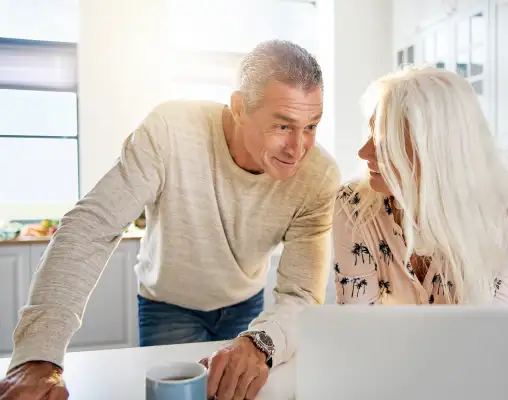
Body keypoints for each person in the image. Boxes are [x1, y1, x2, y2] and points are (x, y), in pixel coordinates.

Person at [0, 40, 340, 400]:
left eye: (311, 126)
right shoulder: (171, 130)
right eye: (283, 126)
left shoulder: (318, 176)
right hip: (168, 306)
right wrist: (37, 355)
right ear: (239, 107)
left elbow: (301, 292)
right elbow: (91, 227)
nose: (298, 148)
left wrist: (262, 343)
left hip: (246, 306)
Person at [333, 66, 508, 306]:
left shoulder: (506, 215)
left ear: (437, 154)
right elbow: (358, 322)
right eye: (370, 134)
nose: (363, 152)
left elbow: (484, 326)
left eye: (386, 142)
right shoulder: (355, 204)